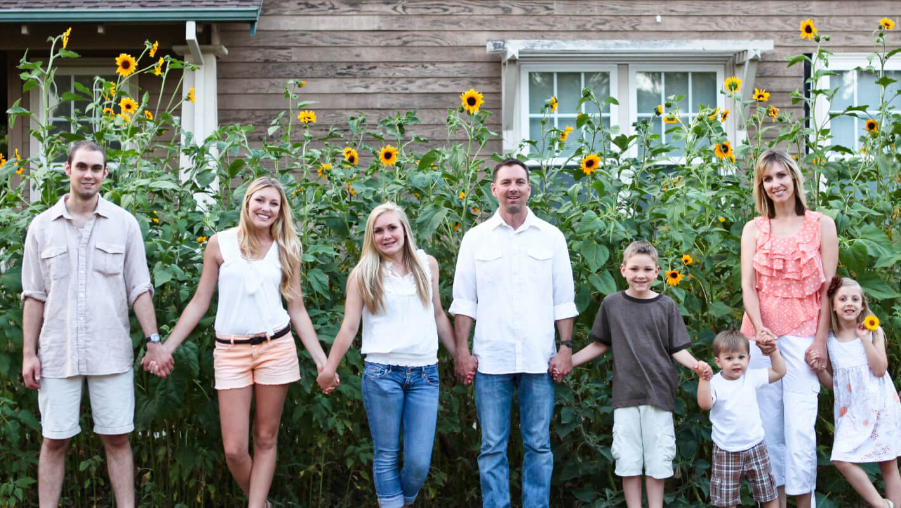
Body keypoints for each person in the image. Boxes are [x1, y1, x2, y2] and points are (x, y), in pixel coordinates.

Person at [146, 176, 329, 508]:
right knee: (233, 449)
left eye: (274, 203)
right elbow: (200, 301)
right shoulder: (220, 244)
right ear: (247, 202)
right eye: (260, 200)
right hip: (230, 352)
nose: (266, 208)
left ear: (280, 210)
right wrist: (166, 348)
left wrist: (321, 361)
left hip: (276, 348)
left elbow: (297, 308)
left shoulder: (288, 248)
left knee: (265, 438)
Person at [21, 141, 167, 508]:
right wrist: (28, 353)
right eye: (82, 166)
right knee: (54, 440)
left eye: (96, 168)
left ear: (105, 173)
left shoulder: (125, 224)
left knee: (117, 438)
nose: (89, 174)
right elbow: (33, 295)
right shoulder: (41, 227)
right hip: (58, 352)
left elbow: (139, 287)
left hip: (111, 351)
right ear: (67, 169)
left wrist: (153, 340)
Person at [450, 158, 577, 507]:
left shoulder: (552, 237)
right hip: (491, 360)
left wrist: (565, 348)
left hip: (539, 359)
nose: (513, 188)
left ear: (529, 188)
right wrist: (462, 351)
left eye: (520, 181)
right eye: (506, 182)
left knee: (538, 444)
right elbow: (464, 302)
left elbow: (563, 301)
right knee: (492, 447)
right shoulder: (475, 239)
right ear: (494, 190)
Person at [315, 202, 457, 508]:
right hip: (382, 374)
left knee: (419, 461)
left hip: (424, 375)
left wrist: (460, 355)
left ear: (405, 229)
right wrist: (329, 368)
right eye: (378, 231)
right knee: (386, 454)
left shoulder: (426, 264)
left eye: (392, 227)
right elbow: (349, 327)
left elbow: (438, 315)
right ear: (371, 237)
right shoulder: (364, 273)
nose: (386, 235)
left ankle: (398, 503)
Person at [568, 240, 710, 508]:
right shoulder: (612, 304)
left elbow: (677, 349)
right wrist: (568, 362)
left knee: (658, 461)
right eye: (634, 268)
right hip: (626, 396)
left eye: (647, 269)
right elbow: (600, 344)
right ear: (623, 270)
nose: (640, 275)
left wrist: (697, 366)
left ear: (658, 271)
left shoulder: (666, 305)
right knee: (628, 461)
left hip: (659, 394)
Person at [740, 148, 838, 508]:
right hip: (761, 340)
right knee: (767, 428)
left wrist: (820, 342)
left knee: (800, 428)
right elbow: (748, 286)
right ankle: (773, 503)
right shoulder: (754, 229)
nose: (775, 184)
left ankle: (804, 503)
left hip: (803, 338)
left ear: (794, 178)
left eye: (781, 176)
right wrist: (761, 330)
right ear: (761, 186)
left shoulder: (821, 224)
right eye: (767, 178)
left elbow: (828, 287)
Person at [815, 277, 901, 508]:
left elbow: (880, 369)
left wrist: (865, 340)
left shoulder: (874, 332)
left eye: (855, 299)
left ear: (863, 305)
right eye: (842, 299)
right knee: (841, 458)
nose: (849, 303)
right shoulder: (829, 341)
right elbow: (833, 384)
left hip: (881, 405)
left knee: (888, 463)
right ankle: (881, 505)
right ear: (832, 305)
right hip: (852, 411)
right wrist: (820, 369)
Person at [697, 330, 786, 508]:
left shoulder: (750, 377)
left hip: (756, 446)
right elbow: (705, 404)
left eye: (741, 357)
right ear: (718, 361)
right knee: (727, 501)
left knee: (768, 494)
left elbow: (779, 371)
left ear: (749, 359)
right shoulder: (715, 383)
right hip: (726, 450)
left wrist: (773, 351)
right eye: (729, 358)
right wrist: (703, 380)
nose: (736, 362)